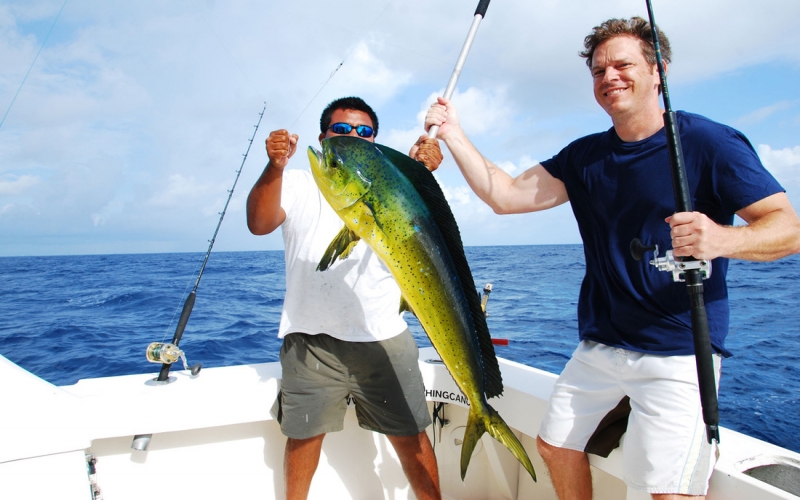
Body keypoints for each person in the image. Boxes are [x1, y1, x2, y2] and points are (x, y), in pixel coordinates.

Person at [424, 17, 800, 500]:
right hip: (601, 344)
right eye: (599, 71)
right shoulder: (585, 157)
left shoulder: (711, 143)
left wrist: (721, 239)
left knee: (667, 492)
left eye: (623, 65)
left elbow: (788, 230)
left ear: (658, 71)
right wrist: (453, 132)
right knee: (556, 446)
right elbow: (505, 195)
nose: (609, 77)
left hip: (678, 350)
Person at [247, 96, 443, 500]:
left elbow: (427, 233)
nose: (352, 136)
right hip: (311, 342)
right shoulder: (298, 183)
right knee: (303, 439)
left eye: (363, 132)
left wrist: (418, 175)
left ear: (374, 141)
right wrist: (275, 167)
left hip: (384, 337)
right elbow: (259, 223)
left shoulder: (393, 187)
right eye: (341, 129)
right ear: (323, 138)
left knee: (411, 436)